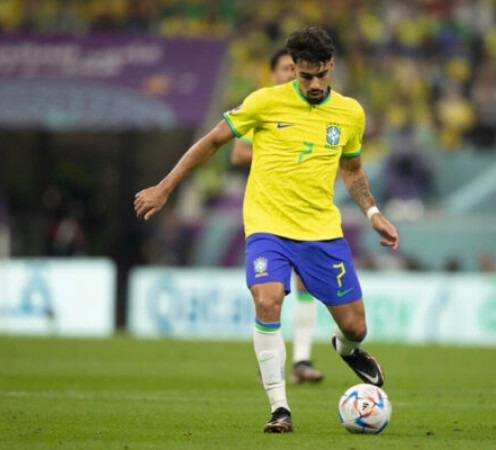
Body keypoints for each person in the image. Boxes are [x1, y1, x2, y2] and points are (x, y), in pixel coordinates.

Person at [134, 26, 399, 434]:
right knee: (268, 301)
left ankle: (345, 349)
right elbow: (212, 141)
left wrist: (373, 212)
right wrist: (165, 187)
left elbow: (352, 169)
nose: (313, 84)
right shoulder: (264, 102)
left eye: (320, 76)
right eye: (304, 76)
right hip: (267, 227)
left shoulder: (350, 113)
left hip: (321, 232)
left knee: (355, 326)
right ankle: (280, 408)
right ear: (293, 69)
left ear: (332, 67)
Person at [230, 47, 323, 385]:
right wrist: (284, 147)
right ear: (274, 74)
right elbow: (238, 153)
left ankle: (301, 360)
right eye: (285, 69)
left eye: (294, 68)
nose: (290, 74)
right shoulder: (266, 107)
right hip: (269, 213)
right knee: (268, 296)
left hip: (307, 211)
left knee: (306, 285)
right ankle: (275, 364)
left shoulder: (312, 110)